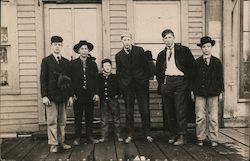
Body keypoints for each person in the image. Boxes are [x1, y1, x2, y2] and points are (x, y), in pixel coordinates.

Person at [156, 29, 194, 146]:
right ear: (163, 40)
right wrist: (162, 83)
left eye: (169, 37)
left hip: (180, 82)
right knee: (169, 110)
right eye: (165, 38)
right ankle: (173, 134)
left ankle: (182, 135)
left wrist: (188, 83)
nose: (168, 40)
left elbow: (191, 67)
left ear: (174, 38)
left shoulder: (184, 50)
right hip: (167, 82)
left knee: (180, 109)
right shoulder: (161, 54)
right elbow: (158, 72)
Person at [115, 32, 153, 143]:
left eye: (128, 39)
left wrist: (145, 80)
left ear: (131, 40)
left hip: (141, 85)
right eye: (124, 40)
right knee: (129, 111)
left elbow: (147, 67)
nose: (126, 42)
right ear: (122, 42)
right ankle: (130, 134)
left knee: (144, 110)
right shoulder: (119, 55)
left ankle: (147, 134)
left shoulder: (139, 50)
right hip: (128, 87)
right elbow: (119, 73)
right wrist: (123, 85)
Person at [40, 35, 73, 153]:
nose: (57, 47)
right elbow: (43, 79)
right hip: (51, 96)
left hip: (63, 96)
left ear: (62, 46)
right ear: (51, 46)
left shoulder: (66, 62)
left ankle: (61, 142)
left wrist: (70, 95)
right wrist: (44, 95)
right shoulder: (46, 61)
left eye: (59, 45)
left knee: (62, 120)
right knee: (52, 120)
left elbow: (70, 80)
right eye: (55, 45)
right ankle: (53, 143)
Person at [191, 36, 224, 147]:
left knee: (213, 117)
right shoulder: (196, 63)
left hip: (213, 93)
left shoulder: (217, 62)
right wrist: (192, 91)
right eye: (204, 47)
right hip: (200, 93)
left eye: (208, 46)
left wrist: (221, 92)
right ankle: (200, 137)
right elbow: (193, 78)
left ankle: (213, 138)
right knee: (200, 116)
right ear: (201, 48)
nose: (206, 49)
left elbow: (220, 78)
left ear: (211, 47)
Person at [70, 40, 99, 145]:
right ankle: (77, 137)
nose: (84, 51)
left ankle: (89, 136)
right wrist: (72, 94)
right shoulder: (73, 64)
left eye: (86, 49)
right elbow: (70, 80)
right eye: (82, 49)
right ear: (78, 51)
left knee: (89, 116)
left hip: (89, 94)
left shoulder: (92, 64)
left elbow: (96, 79)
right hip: (78, 94)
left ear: (88, 50)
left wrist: (96, 93)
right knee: (78, 116)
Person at [98, 59, 123, 143]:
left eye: (109, 66)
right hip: (103, 101)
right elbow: (97, 88)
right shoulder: (99, 77)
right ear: (102, 68)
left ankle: (118, 136)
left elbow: (119, 88)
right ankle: (104, 136)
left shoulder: (115, 77)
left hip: (113, 101)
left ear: (111, 67)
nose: (107, 68)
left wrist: (117, 95)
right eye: (105, 66)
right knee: (104, 119)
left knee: (116, 119)